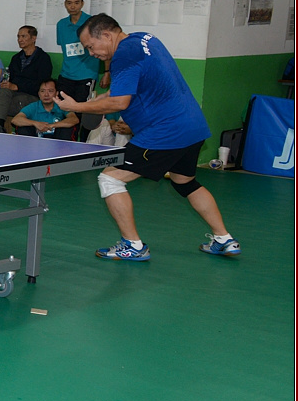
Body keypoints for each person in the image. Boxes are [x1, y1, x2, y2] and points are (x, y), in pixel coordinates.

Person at [54, 16, 239, 261]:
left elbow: (120, 102)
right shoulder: (145, 39)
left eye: (90, 46)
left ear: (106, 36)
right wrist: (95, 101)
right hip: (192, 125)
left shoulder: (123, 56)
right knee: (184, 182)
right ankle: (224, 239)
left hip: (165, 132)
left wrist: (77, 107)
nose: (91, 53)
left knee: (110, 179)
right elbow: (127, 89)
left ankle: (133, 245)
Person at [55, 0, 108, 134]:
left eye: (76, 3)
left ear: (82, 4)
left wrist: (107, 72)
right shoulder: (61, 24)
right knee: (64, 112)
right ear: (65, 4)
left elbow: (104, 49)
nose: (73, 6)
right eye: (69, 3)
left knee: (83, 112)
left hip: (86, 75)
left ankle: (82, 143)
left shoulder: (92, 23)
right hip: (66, 75)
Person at [0, 25, 52, 132]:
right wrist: (6, 83)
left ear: (33, 38)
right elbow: (10, 77)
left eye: (23, 36)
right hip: (13, 95)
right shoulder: (16, 58)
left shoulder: (43, 58)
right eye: (18, 37)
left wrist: (17, 86)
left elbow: (42, 85)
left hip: (31, 96)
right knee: (2, 92)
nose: (20, 40)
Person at [11, 78, 78, 139]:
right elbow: (15, 120)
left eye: (50, 91)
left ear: (56, 93)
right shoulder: (33, 106)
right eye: (42, 91)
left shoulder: (62, 105)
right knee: (22, 128)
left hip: (58, 140)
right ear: (39, 94)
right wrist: (35, 123)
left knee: (68, 129)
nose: (46, 95)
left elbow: (74, 119)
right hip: (36, 140)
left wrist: (52, 125)